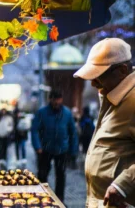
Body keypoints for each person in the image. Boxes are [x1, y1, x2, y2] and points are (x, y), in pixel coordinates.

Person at [74, 38, 135, 207]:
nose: (93, 83)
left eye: (98, 76)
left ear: (122, 71)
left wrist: (123, 184)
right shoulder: (111, 94)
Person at [31, 90, 78, 202]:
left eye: (58, 99)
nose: (56, 102)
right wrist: (38, 146)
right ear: (50, 99)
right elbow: (34, 130)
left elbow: (73, 132)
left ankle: (59, 200)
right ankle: (41, 199)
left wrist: (73, 151)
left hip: (62, 149)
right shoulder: (42, 112)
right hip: (45, 149)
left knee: (61, 176)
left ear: (61, 99)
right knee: (42, 175)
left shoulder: (67, 113)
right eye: (54, 99)